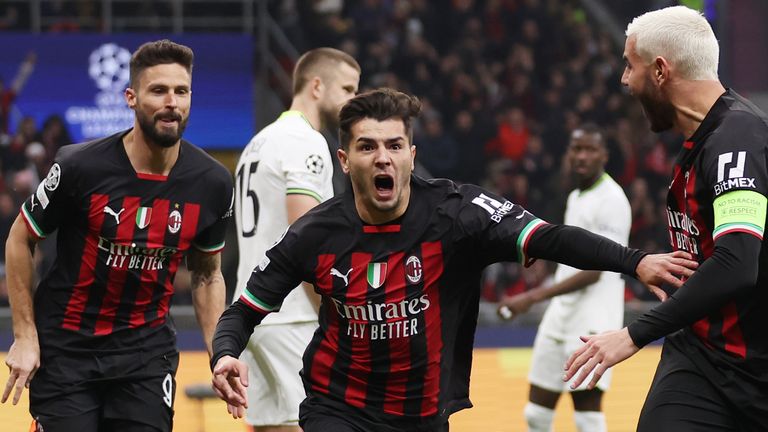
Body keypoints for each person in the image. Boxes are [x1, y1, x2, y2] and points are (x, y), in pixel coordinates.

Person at [211, 88, 695, 432]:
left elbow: (551, 239)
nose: (383, 158)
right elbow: (246, 308)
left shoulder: (458, 212)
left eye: (394, 146)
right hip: (338, 407)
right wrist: (225, 352)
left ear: (411, 154)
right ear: (344, 160)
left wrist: (637, 262)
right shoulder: (315, 233)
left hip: (423, 415)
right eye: (367, 147)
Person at [2, 39, 233, 432]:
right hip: (68, 351)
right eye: (158, 90)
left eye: (181, 91)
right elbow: (20, 238)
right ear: (131, 97)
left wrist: (219, 352)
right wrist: (25, 335)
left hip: (147, 356)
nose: (171, 103)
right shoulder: (79, 167)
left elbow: (207, 274)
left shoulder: (212, 182)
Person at [564, 6, 768, 431]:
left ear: (660, 71)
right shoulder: (701, 141)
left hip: (754, 369)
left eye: (629, 65)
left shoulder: (738, 140)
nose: (624, 79)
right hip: (699, 359)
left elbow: (738, 262)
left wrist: (632, 334)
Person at [233, 47, 360, 432]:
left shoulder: (258, 142)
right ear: (317, 86)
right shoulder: (307, 142)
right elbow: (306, 243)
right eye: (349, 89)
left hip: (253, 309)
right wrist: (334, 316)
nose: (354, 100)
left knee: (273, 426)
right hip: (292, 315)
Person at [499, 124, 630, 432]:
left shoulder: (612, 200)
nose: (582, 156)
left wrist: (531, 297)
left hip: (593, 319)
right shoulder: (575, 196)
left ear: (604, 155)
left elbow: (596, 271)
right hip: (561, 314)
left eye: (590, 149)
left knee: (587, 415)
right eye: (577, 149)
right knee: (536, 413)